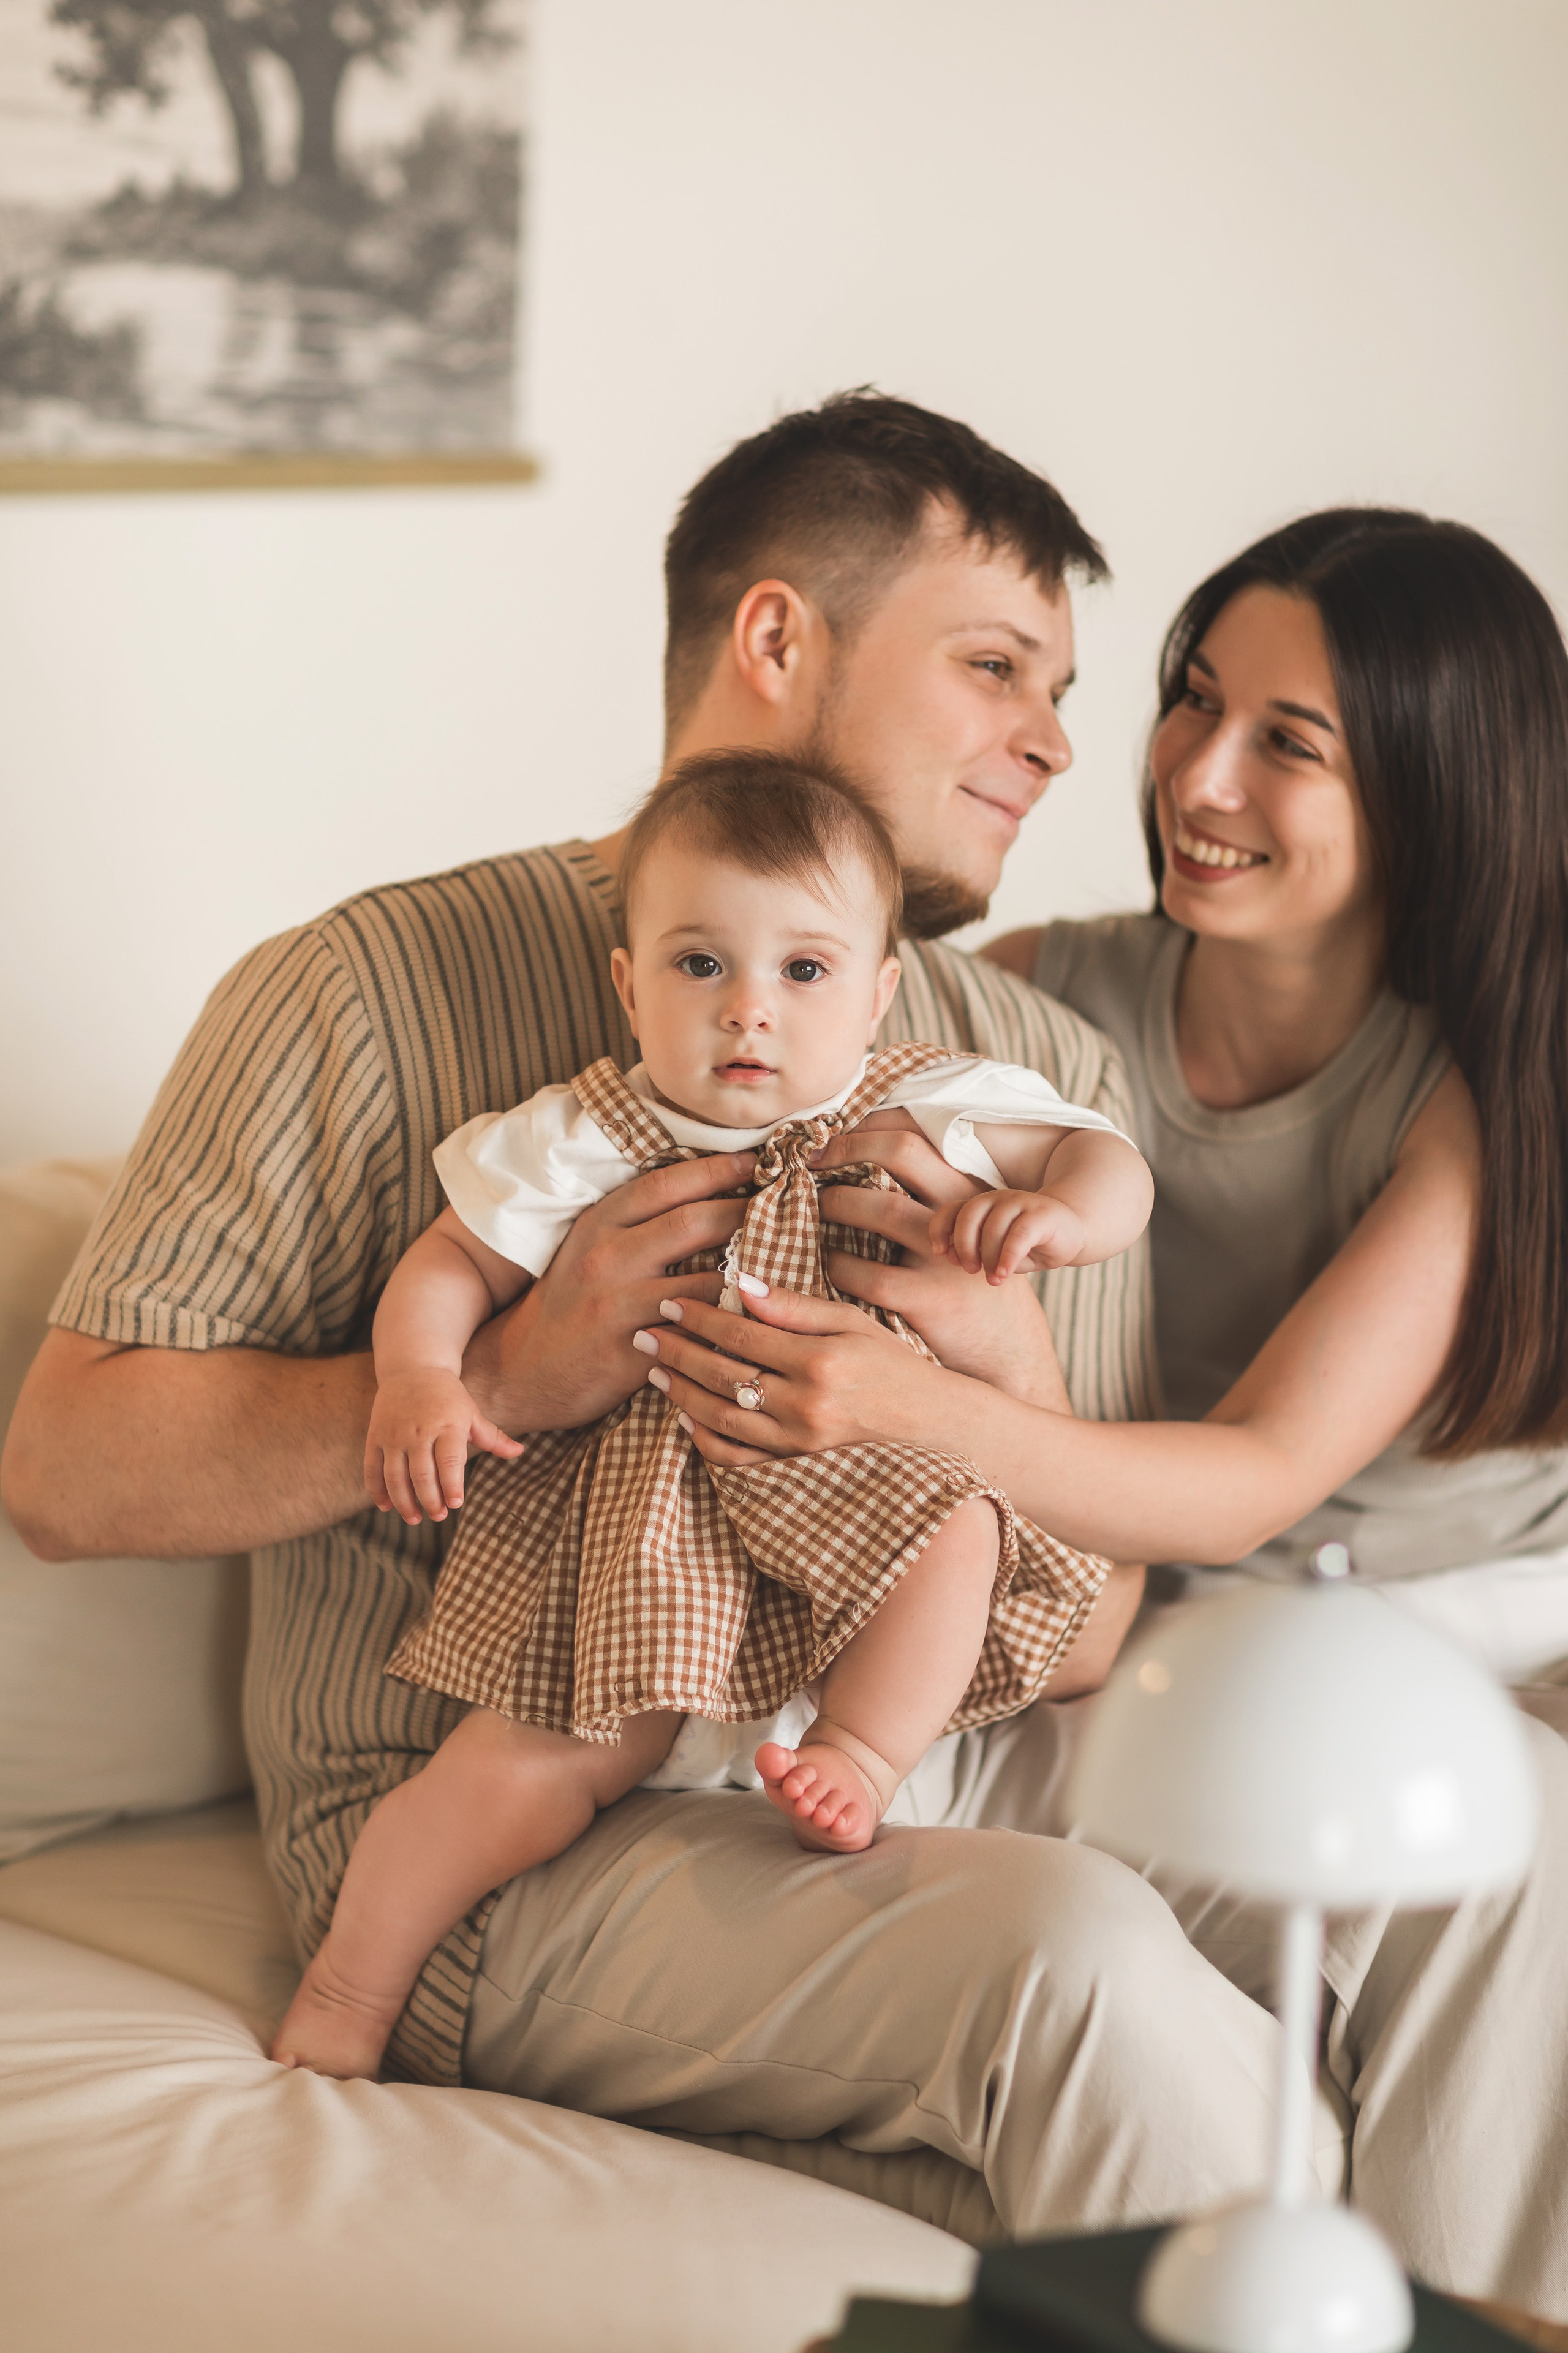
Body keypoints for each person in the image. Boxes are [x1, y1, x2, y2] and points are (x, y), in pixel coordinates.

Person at [6, 403, 1563, 2308]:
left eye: (1070, 690)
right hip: (540, 1788)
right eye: (996, 668)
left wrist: (1001, 1385)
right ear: (775, 641)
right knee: (1076, 1967)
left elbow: (1085, 1630)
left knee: (1509, 1850)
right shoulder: (362, 993)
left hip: (909, 1739)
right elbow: (63, 1474)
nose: (1063, 745)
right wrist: (500, 1380)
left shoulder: (1024, 1066)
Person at [649, 504, 1568, 2307]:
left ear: (1433, 790)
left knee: (1512, 1841)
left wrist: (908, 1408)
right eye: (1193, 700)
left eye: (1288, 743)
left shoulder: (1476, 1082)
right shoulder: (1050, 1009)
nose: (1196, 777)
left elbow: (1252, 1474)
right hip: (1167, 1625)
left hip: (1451, 1631)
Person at [273, 752, 1151, 2079]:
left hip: (859, 1494)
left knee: (961, 1527)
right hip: (657, 1527)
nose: (750, 1009)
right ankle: (350, 1986)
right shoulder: (592, 1132)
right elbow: (450, 1262)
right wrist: (419, 1378)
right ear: (631, 985)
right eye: (700, 965)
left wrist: (1064, 1215)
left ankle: (856, 1754)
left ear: (878, 991)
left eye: (803, 970)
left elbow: (1106, 1159)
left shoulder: (926, 1104)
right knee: (516, 1776)